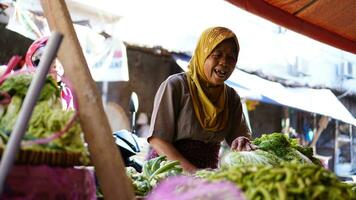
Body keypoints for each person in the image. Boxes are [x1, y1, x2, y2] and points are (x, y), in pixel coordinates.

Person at [147, 26, 256, 172]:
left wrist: (241, 141)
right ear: (203, 54)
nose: (224, 62)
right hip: (167, 173)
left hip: (207, 177)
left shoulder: (231, 98)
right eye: (217, 55)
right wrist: (194, 174)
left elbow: (240, 137)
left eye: (231, 57)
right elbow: (158, 140)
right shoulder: (176, 86)